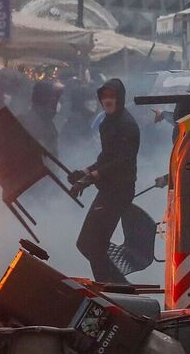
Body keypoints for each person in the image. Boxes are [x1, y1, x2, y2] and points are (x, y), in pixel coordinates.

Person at [70, 78, 139, 284]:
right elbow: (106, 157)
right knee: (89, 244)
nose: (107, 100)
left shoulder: (127, 125)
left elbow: (122, 161)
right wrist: (84, 171)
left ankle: (116, 288)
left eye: (112, 96)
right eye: (104, 96)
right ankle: (115, 287)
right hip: (109, 189)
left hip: (119, 191)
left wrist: (93, 177)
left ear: (120, 98)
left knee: (91, 244)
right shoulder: (107, 123)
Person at [19, 80, 63, 158]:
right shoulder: (29, 124)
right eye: (56, 99)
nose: (58, 104)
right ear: (49, 100)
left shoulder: (48, 123)